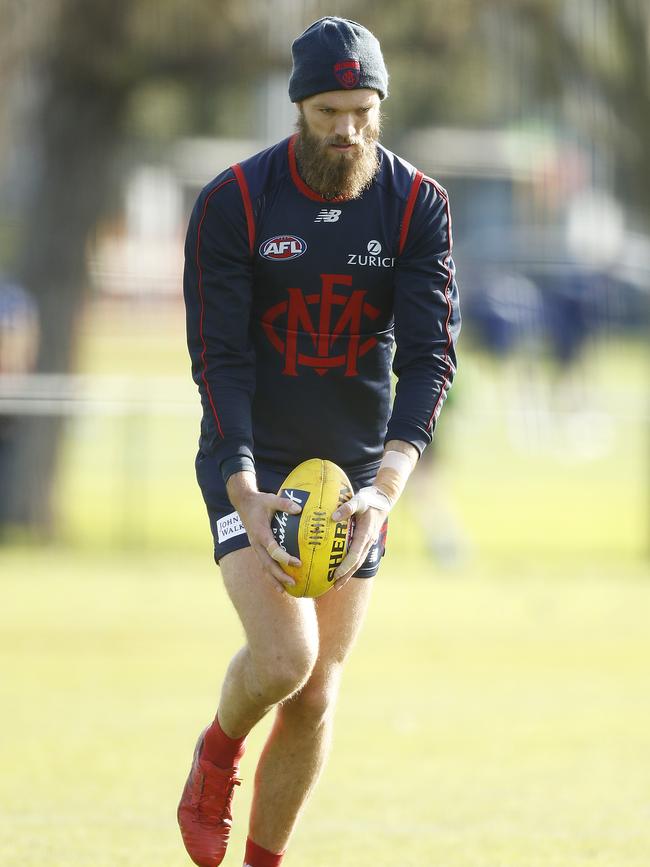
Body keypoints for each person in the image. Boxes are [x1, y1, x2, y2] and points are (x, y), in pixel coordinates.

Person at [178, 16, 460, 867]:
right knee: (287, 655)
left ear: (379, 107)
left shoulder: (417, 204)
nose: (348, 130)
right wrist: (240, 483)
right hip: (252, 462)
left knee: (318, 694)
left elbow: (430, 358)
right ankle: (217, 754)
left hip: (356, 478)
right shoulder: (234, 200)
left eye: (363, 111)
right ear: (298, 106)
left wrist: (386, 486)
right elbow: (217, 355)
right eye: (331, 111)